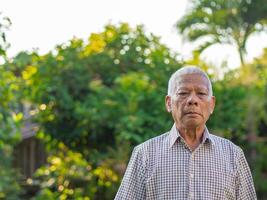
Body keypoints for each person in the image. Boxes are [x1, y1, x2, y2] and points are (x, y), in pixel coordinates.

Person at [114, 66, 257, 200]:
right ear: (169, 103)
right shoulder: (145, 154)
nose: (192, 100)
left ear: (212, 104)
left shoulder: (233, 154)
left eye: (201, 93)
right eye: (183, 93)